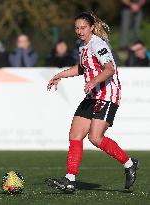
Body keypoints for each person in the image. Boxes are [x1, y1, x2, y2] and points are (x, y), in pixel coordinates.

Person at [45, 12, 139, 192]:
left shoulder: (98, 44)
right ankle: (70, 179)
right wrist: (60, 75)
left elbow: (110, 69)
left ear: (91, 28)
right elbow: (81, 68)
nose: (79, 31)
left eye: (83, 28)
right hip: (92, 95)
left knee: (95, 138)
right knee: (75, 134)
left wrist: (93, 81)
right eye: (77, 28)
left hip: (107, 95)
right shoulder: (83, 46)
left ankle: (129, 163)